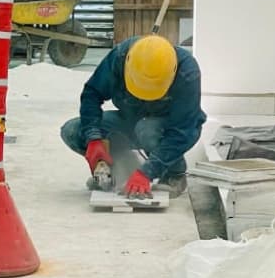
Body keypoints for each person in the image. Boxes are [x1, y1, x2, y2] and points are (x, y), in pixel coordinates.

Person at [60, 34, 206, 199]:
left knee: (146, 129)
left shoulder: (186, 71)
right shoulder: (119, 58)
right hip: (128, 120)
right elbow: (92, 94)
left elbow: (182, 131)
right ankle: (115, 172)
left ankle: (174, 174)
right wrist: (93, 138)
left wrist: (146, 174)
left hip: (163, 130)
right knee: (72, 131)